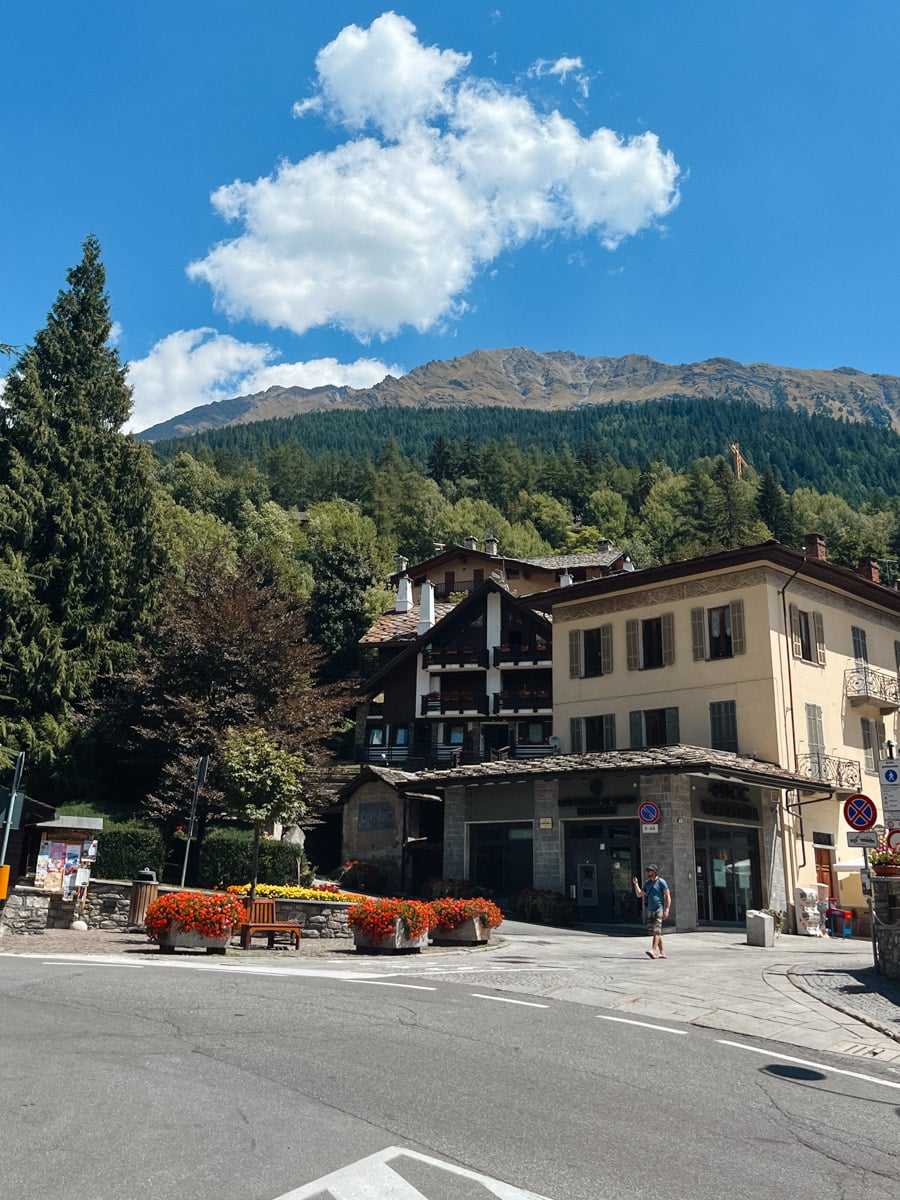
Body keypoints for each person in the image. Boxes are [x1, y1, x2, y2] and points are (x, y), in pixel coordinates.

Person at [632, 864, 671, 959]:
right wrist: (636, 884)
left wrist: (667, 909)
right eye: (648, 871)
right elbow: (639, 894)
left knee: (657, 930)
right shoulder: (647, 883)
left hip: (659, 909)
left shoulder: (661, 882)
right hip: (650, 909)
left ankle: (653, 950)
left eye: (650, 871)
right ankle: (662, 952)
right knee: (655, 932)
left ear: (655, 872)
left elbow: (668, 896)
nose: (648, 873)